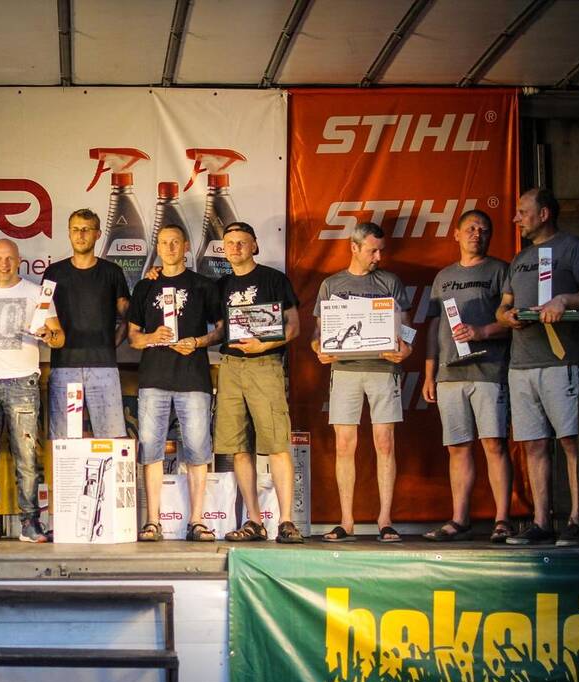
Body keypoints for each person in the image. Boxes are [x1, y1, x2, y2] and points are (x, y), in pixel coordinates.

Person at [496, 187, 579, 547]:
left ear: (544, 214)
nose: (516, 218)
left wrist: (564, 300)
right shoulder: (519, 258)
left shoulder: (572, 247)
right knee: (533, 444)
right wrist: (507, 317)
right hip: (521, 363)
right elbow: (503, 306)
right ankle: (542, 522)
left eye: (522, 211)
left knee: (572, 441)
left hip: (561, 361)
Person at [311, 221, 412, 543]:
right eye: (372, 251)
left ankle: (385, 520)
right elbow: (318, 333)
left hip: (383, 369)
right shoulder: (331, 284)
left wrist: (407, 348)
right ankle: (347, 521)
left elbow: (406, 327)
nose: (378, 257)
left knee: (385, 442)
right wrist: (318, 349)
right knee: (344, 444)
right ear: (354, 248)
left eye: (381, 251)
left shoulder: (390, 281)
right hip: (344, 371)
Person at [0, 239, 63, 544]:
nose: (4, 264)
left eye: (9, 258)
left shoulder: (36, 293)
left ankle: (30, 522)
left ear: (18, 261)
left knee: (27, 458)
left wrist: (48, 335)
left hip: (22, 383)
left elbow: (59, 337)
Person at [421, 211, 513, 543]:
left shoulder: (500, 270)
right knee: (457, 448)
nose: (477, 234)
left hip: (489, 370)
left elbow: (514, 320)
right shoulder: (443, 277)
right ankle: (460, 519)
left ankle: (503, 520)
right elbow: (434, 326)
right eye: (471, 229)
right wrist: (429, 373)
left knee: (494, 444)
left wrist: (482, 331)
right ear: (456, 234)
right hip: (450, 374)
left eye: (484, 230)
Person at [128, 224, 223, 543]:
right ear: (157, 248)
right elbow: (133, 338)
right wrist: (151, 337)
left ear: (186, 247)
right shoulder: (145, 286)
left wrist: (198, 341)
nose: (169, 248)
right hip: (153, 379)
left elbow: (222, 330)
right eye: (163, 243)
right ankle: (152, 521)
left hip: (193, 378)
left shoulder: (203, 285)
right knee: (151, 450)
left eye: (175, 242)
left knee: (197, 450)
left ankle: (197, 521)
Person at [213, 223, 304, 544]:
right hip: (230, 367)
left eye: (242, 242)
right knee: (239, 447)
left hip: (265, 364)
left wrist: (264, 344)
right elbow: (218, 327)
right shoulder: (220, 285)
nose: (235, 247)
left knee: (277, 444)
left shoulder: (273, 279)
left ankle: (286, 521)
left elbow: (294, 326)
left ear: (254, 245)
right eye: (229, 242)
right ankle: (254, 521)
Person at [43, 209, 131, 439]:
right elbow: (43, 314)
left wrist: (111, 343)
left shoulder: (112, 272)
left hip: (104, 366)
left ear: (97, 234)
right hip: (64, 365)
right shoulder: (54, 273)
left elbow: (128, 316)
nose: (80, 235)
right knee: (64, 441)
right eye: (75, 229)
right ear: (69, 233)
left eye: (86, 229)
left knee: (111, 438)